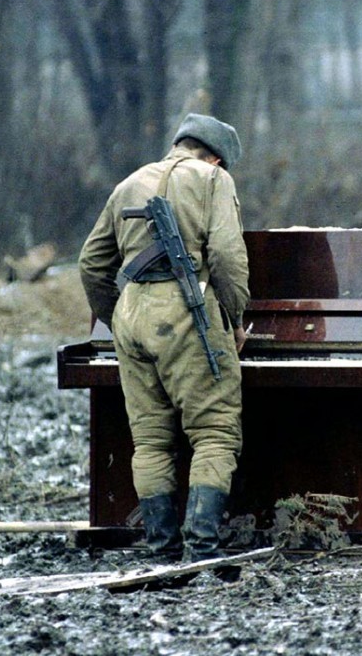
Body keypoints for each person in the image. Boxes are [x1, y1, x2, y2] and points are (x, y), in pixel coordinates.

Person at [79, 113, 249, 565]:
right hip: (188, 310)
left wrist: (117, 319)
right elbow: (228, 258)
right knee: (214, 431)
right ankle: (203, 548)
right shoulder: (214, 180)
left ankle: (162, 551)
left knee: (151, 441)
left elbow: (91, 265)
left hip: (132, 314)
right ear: (216, 157)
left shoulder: (129, 183)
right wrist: (232, 321)